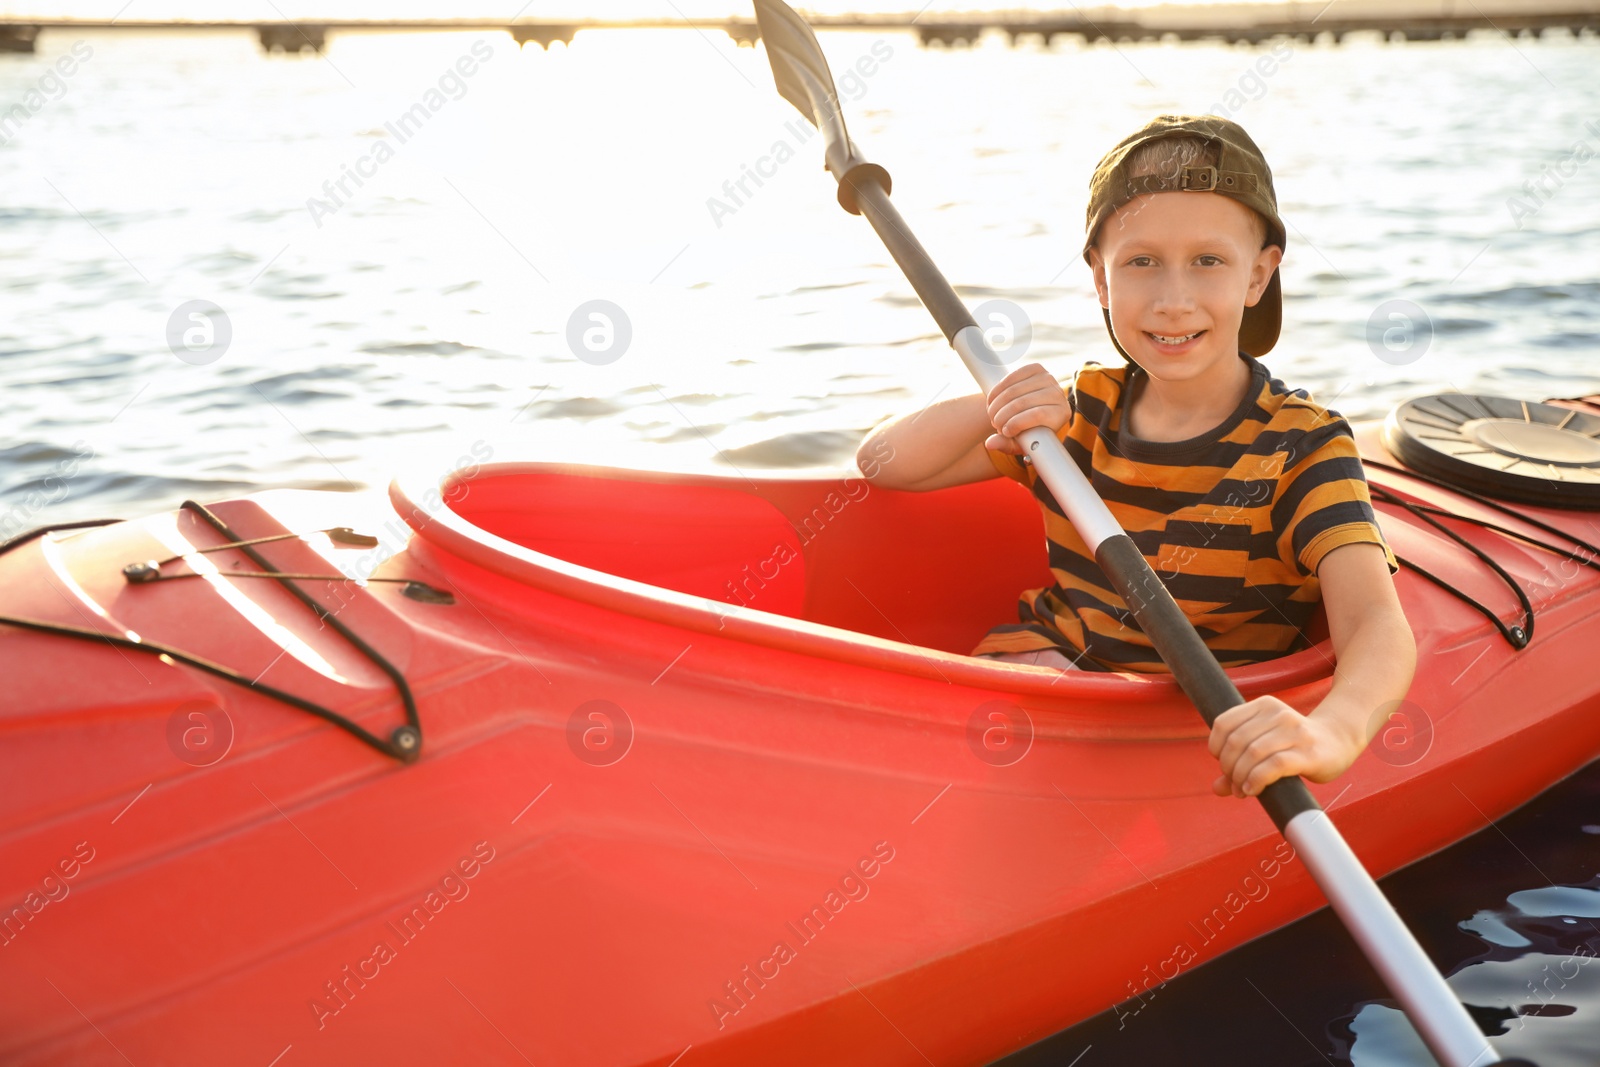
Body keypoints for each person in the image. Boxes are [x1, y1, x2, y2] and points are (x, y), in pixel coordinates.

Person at [855, 114, 1416, 801]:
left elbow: (1375, 624)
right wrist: (996, 402)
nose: (1172, 300)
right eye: (1140, 261)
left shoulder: (1301, 446)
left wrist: (1333, 731)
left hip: (1185, 727)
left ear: (1259, 274)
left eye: (1208, 261)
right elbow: (883, 461)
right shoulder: (1077, 413)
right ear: (1099, 278)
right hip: (1044, 679)